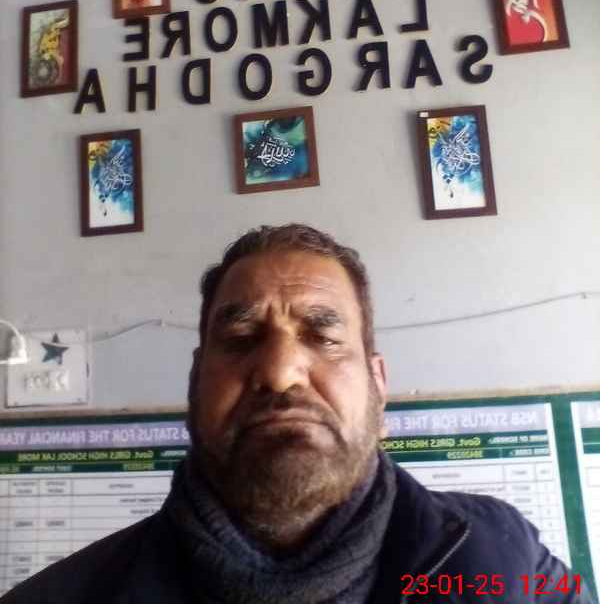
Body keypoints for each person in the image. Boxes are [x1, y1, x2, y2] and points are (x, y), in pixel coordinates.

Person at [2, 224, 593, 603]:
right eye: (241, 339)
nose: (281, 371)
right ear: (194, 383)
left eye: (324, 337)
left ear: (379, 386)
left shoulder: (506, 560)